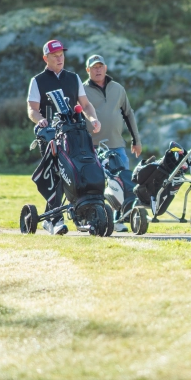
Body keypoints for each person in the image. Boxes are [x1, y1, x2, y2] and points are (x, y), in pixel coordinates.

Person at [27, 39, 101, 235]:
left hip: (72, 134)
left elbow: (85, 105)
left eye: (61, 54)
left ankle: (81, 214)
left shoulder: (74, 78)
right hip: (50, 135)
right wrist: (41, 120)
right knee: (55, 175)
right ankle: (54, 219)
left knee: (77, 171)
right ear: (46, 58)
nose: (60, 58)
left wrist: (93, 119)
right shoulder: (37, 81)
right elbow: (32, 110)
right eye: (55, 56)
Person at [83, 54, 142, 232]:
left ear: (106, 68)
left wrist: (136, 140)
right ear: (88, 70)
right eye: (94, 67)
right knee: (94, 185)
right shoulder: (82, 90)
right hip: (91, 146)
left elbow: (128, 114)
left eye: (100, 66)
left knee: (122, 182)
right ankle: (95, 219)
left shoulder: (118, 89)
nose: (98, 69)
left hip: (117, 145)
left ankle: (118, 220)